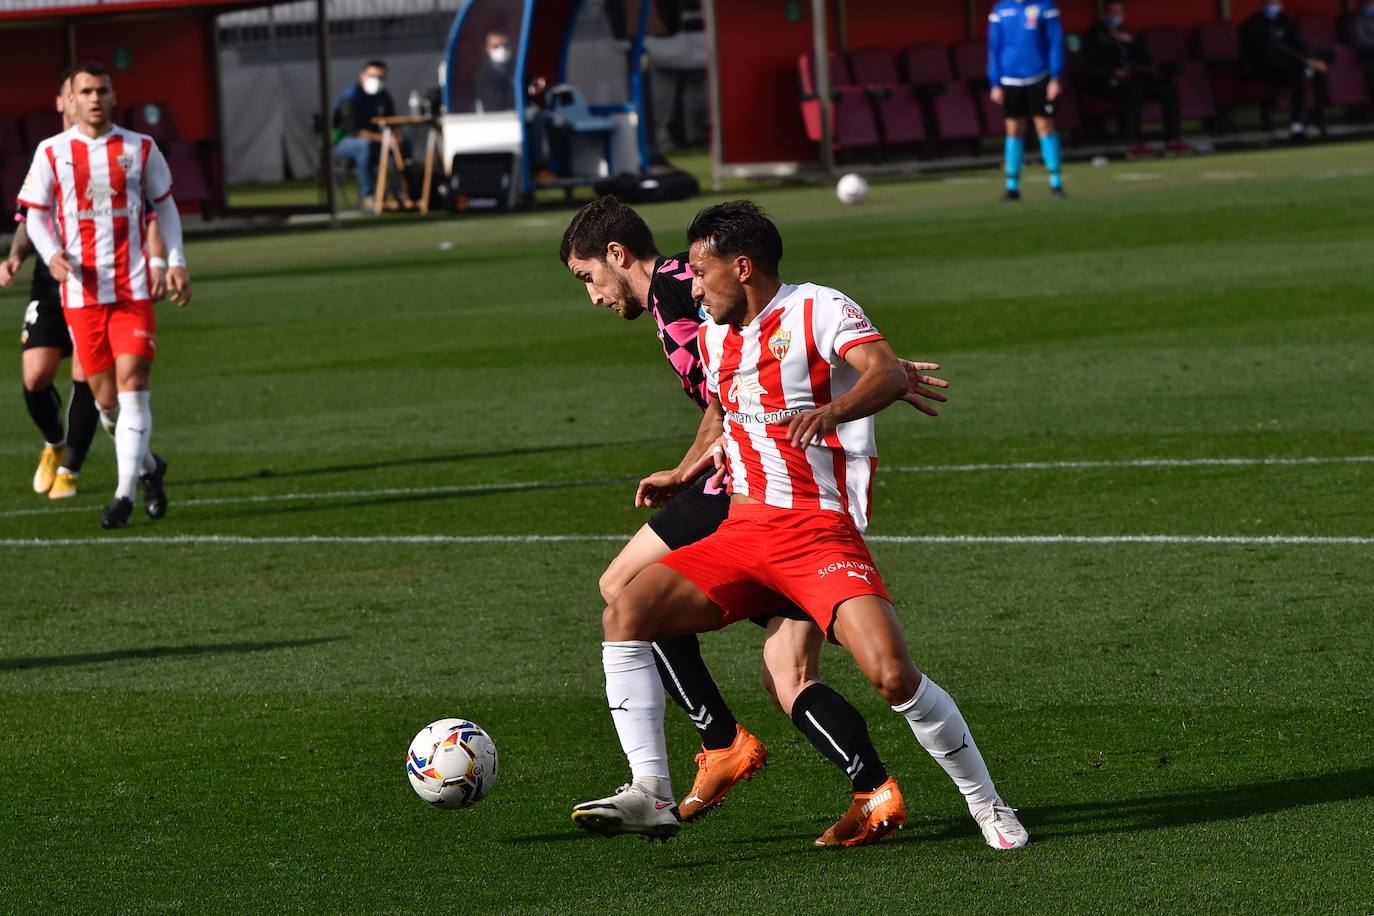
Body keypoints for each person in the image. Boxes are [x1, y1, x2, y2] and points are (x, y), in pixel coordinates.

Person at [570, 201, 1028, 852]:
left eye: (701, 273)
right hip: (743, 530)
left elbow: (885, 370)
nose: (693, 288)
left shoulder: (818, 308)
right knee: (626, 610)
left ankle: (987, 805)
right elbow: (725, 413)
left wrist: (836, 409)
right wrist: (686, 470)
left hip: (816, 534)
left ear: (743, 267)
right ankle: (653, 789)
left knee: (892, 675)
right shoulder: (715, 338)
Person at [18, 61, 190, 529]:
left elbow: (166, 209)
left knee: (134, 385)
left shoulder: (141, 147)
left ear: (115, 96)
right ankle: (152, 467)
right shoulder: (51, 152)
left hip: (133, 289)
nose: (96, 98)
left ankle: (123, 497)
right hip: (80, 294)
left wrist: (174, 263)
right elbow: (33, 215)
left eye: (103, 90)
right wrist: (51, 253)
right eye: (87, 91)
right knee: (107, 404)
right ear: (70, 99)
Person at [1080, 2, 1191, 158]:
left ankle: (1172, 140)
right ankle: (1133, 142)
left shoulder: (1126, 32)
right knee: (1135, 92)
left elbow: (1146, 60)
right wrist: (1112, 72)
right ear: (1105, 14)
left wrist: (1131, 42)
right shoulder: (1093, 35)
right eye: (1113, 13)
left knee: (1168, 89)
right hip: (1105, 83)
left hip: (1132, 79)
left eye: (1119, 13)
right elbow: (1088, 63)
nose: (1116, 17)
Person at [988, 0, 1066, 200]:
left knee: (1044, 126)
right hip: (1010, 78)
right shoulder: (1000, 10)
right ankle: (1012, 185)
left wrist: (1055, 77)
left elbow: (1055, 43)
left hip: (1039, 76)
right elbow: (994, 48)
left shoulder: (1045, 7)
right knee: (1013, 129)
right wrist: (994, 82)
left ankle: (1055, 182)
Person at [1239, 1, 1329, 141]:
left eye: (1276, 2)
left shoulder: (1285, 20)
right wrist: (1304, 61)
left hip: (1290, 66)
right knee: (1298, 72)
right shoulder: (1253, 24)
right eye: (1270, 2)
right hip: (1262, 69)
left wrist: (1312, 58)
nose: (1273, 6)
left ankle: (1312, 122)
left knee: (1315, 70)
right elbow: (1272, 47)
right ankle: (1297, 126)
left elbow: (1299, 42)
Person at [474, 31, 556, 182]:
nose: (502, 49)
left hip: (520, 112)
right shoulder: (482, 73)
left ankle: (551, 167)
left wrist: (534, 87)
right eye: (496, 45)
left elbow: (527, 84)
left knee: (551, 120)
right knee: (538, 118)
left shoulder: (515, 67)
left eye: (505, 45)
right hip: (499, 115)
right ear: (487, 49)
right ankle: (539, 168)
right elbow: (493, 101)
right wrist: (517, 99)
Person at [332, 60, 412, 210]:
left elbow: (391, 121)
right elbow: (353, 130)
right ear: (362, 76)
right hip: (341, 141)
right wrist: (385, 139)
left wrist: (396, 135)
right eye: (372, 76)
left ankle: (402, 191)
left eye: (380, 77)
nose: (376, 81)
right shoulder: (350, 96)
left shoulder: (383, 95)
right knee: (364, 146)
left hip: (375, 141)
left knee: (405, 143)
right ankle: (368, 196)